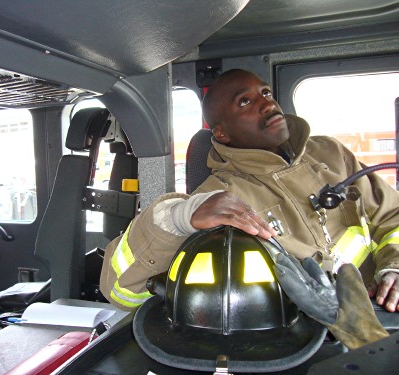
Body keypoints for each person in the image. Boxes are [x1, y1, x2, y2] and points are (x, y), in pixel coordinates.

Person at [100, 68, 399, 313]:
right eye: (245, 102)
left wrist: (394, 269)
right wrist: (179, 217)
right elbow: (119, 291)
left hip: (382, 310)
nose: (268, 104)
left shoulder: (331, 153)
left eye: (266, 93)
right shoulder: (219, 199)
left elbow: (392, 218)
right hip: (305, 338)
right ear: (222, 132)